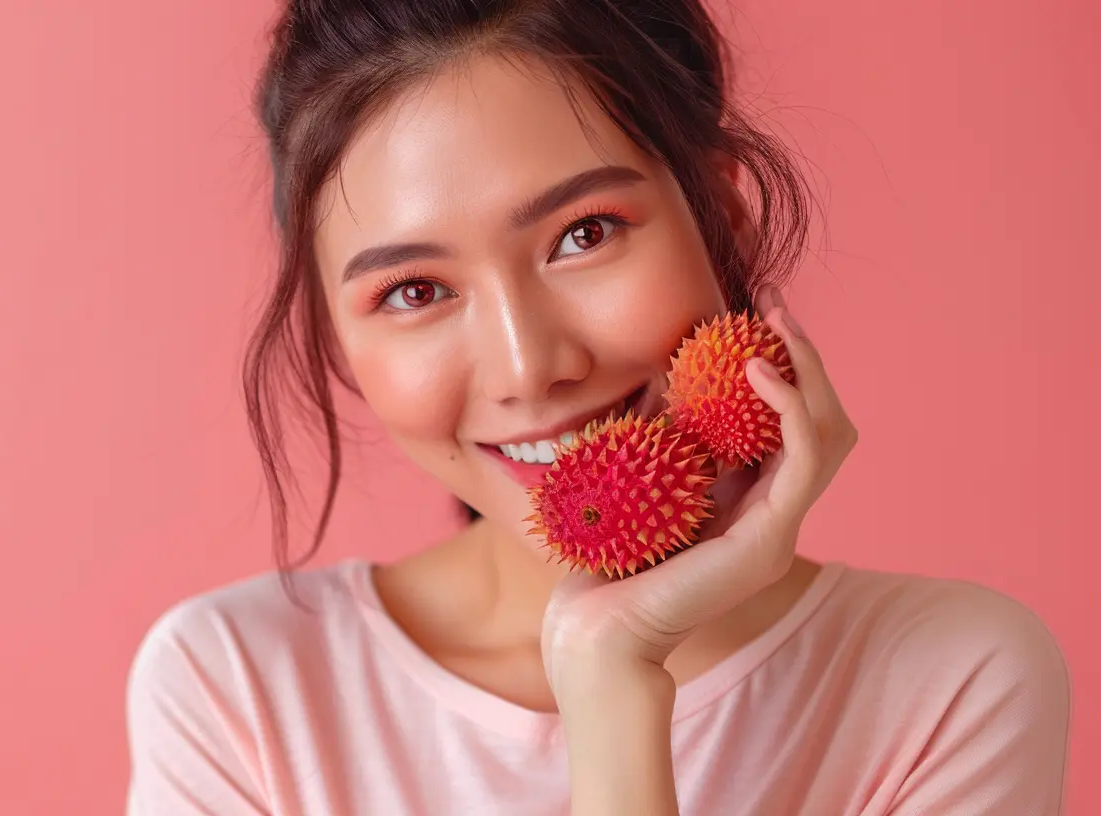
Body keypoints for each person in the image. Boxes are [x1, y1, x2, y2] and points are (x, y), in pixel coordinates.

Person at [125, 1, 1072, 813]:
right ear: (336, 337)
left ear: (723, 218)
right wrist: (604, 678)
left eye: (584, 234)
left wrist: (613, 677)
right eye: (415, 291)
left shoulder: (947, 682)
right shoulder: (240, 690)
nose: (528, 367)